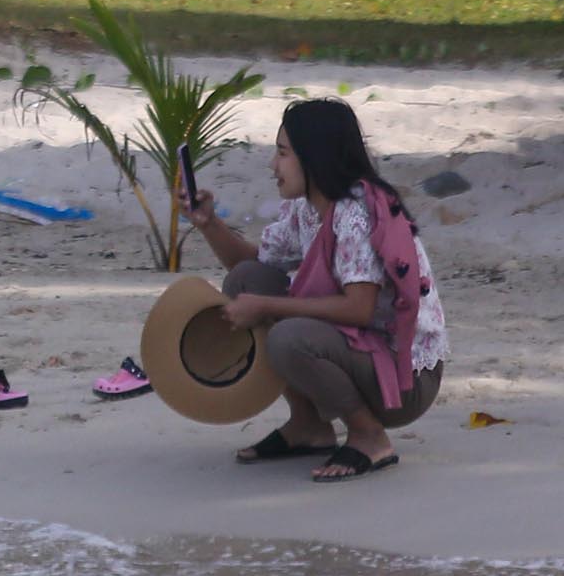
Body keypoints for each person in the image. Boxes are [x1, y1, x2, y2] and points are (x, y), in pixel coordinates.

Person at [185, 98, 450, 483]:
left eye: (282, 154)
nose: (273, 166)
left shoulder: (355, 213)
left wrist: (265, 306)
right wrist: (209, 224)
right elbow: (256, 265)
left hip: (403, 378)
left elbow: (360, 309)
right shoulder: (309, 206)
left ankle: (369, 436)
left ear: (314, 157)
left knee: (287, 337)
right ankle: (309, 427)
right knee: (246, 280)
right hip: (359, 351)